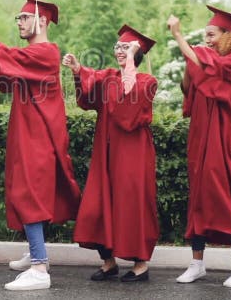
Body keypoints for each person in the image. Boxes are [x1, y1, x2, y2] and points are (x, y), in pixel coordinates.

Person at [0, 0, 81, 291]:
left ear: (42, 21)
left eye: (25, 17)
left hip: (37, 136)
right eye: (18, 18)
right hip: (27, 133)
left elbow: (8, 58)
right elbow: (5, 77)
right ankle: (35, 253)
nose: (19, 22)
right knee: (26, 190)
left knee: (31, 194)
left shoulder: (46, 52)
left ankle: (40, 268)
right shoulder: (32, 55)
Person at [62, 24, 159, 283]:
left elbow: (128, 114)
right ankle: (109, 262)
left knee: (132, 205)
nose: (119, 50)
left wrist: (129, 63)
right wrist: (77, 71)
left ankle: (140, 265)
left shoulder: (147, 81)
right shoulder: (108, 77)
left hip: (133, 154)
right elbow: (88, 96)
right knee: (98, 204)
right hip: (106, 153)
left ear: (138, 52)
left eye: (126, 47)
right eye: (118, 46)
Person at [167, 5, 231, 288]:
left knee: (224, 198)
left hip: (225, 142)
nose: (206, 39)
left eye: (211, 34)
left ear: (229, 36)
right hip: (201, 141)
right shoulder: (210, 61)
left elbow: (206, 64)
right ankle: (197, 263)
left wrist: (178, 35)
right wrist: (189, 64)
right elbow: (189, 85)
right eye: (205, 35)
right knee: (199, 200)